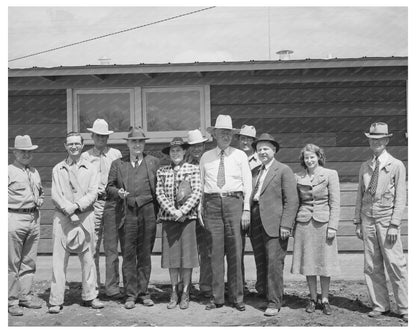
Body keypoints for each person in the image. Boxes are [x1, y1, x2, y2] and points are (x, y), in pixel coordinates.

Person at [354, 122, 408, 322]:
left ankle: (405, 307)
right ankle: (380, 305)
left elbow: (400, 197)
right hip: (367, 218)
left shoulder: (396, 165)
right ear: (369, 141)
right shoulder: (365, 166)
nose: (375, 142)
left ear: (386, 140)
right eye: (372, 139)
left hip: (387, 220)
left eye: (379, 139)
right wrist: (357, 222)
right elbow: (360, 195)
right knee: (371, 264)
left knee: (395, 263)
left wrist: (395, 224)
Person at [199, 114, 252, 311]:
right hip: (211, 204)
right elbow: (201, 184)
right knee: (215, 253)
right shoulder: (206, 157)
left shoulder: (240, 156)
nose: (226, 136)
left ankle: (237, 298)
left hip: (234, 203)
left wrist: (246, 209)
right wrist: (200, 209)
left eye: (229, 133)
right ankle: (217, 297)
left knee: (236, 251)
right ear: (214, 135)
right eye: (222, 132)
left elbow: (248, 184)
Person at [48, 132, 104, 314]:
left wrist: (77, 206)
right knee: (58, 260)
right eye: (70, 144)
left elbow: (93, 192)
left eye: (77, 144)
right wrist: (68, 209)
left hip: (85, 216)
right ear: (65, 146)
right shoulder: (58, 168)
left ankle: (90, 296)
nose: (74, 147)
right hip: (62, 216)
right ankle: (56, 299)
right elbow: (55, 194)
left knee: (88, 257)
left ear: (82, 145)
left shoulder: (91, 168)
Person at [106, 126, 160, 309]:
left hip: (148, 212)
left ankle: (144, 293)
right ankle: (130, 294)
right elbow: (109, 187)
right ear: (128, 144)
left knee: (145, 254)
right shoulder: (118, 164)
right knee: (129, 255)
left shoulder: (153, 162)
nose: (137, 144)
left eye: (140, 141)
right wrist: (118, 192)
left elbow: (159, 188)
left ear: (144, 144)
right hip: (126, 213)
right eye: (133, 141)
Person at [250, 133, 298, 316]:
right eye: (259, 149)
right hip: (256, 222)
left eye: (266, 149)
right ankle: (265, 294)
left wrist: (286, 225)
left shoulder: (283, 170)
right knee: (260, 261)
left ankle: (274, 301)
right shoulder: (256, 171)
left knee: (274, 263)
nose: (262, 152)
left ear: (274, 150)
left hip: (275, 225)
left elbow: (292, 200)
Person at [290, 144, 340, 315]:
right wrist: (292, 226)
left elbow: (335, 203)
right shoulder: (297, 177)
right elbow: (294, 202)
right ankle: (312, 298)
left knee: (325, 262)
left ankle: (325, 299)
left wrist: (333, 226)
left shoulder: (330, 174)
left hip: (324, 223)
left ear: (319, 157)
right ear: (302, 160)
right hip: (304, 224)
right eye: (306, 157)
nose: (309, 160)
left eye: (312, 157)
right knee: (309, 262)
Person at [156, 137, 202, 309]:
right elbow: (159, 194)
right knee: (173, 259)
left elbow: (197, 192)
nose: (175, 153)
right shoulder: (162, 171)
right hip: (170, 220)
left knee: (187, 259)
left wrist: (182, 211)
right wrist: (173, 211)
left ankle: (186, 292)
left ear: (184, 152)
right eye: (172, 151)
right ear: (169, 154)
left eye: (178, 150)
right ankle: (174, 291)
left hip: (187, 220)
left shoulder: (193, 169)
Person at [81, 119, 122, 297]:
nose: (101, 139)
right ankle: (93, 286)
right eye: (98, 135)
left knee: (112, 247)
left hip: (112, 203)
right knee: (92, 245)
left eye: (104, 136)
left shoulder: (116, 154)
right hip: (93, 204)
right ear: (92, 136)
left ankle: (112, 287)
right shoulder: (85, 156)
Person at [8, 135, 44, 316]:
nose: (26, 154)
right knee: (11, 263)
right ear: (14, 152)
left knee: (29, 261)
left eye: (29, 152)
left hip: (33, 218)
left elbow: (40, 192)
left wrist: (40, 199)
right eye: (22, 151)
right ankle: (11, 300)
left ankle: (25, 296)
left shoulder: (34, 172)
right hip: (14, 218)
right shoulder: (7, 171)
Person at [236, 124, 260, 295]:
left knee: (259, 250)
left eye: (249, 139)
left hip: (256, 209)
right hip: (237, 209)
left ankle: (262, 287)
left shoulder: (260, 160)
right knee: (237, 249)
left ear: (253, 141)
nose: (245, 142)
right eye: (242, 138)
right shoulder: (234, 158)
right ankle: (239, 285)